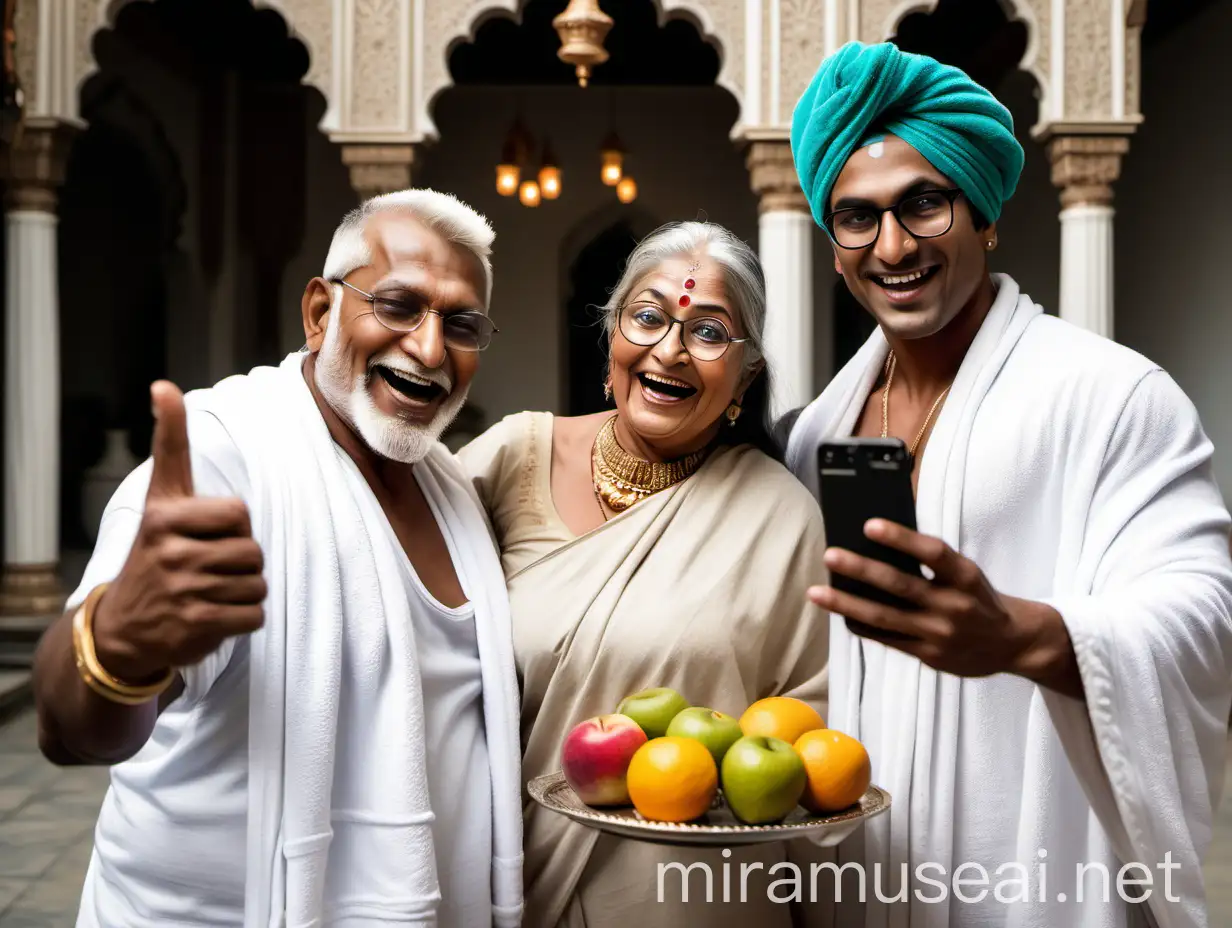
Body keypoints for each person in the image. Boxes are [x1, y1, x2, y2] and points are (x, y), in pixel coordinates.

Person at [783, 41, 1232, 928]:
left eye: (924, 203)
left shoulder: (1112, 396)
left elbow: (1203, 613)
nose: (894, 245)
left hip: (1030, 876)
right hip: (860, 871)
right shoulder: (816, 433)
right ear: (834, 248)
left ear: (983, 214)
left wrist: (1022, 636)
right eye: (858, 218)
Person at [31, 189, 525, 928]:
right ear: (321, 312)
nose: (429, 348)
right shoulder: (226, 460)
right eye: (397, 305)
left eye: (461, 324)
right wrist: (116, 645)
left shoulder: (447, 484)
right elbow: (71, 730)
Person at [456, 220, 832, 927]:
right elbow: (395, 605)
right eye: (649, 317)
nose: (671, 349)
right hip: (517, 882)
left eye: (709, 333)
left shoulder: (779, 517)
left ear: (745, 377)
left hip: (698, 899)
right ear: (612, 340)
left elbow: (812, 729)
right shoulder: (511, 459)